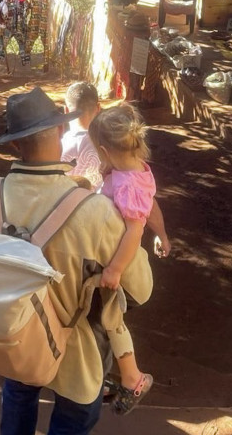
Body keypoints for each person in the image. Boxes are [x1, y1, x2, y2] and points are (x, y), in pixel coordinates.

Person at [0, 87, 153, 435]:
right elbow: (141, 289)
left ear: (14, 145)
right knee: (75, 416)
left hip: (14, 339)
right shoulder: (96, 211)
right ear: (62, 130)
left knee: (18, 395)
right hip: (75, 351)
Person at [88, 103, 172, 415]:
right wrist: (163, 235)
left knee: (105, 320)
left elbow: (135, 230)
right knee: (108, 319)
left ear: (104, 151)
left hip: (120, 264)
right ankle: (120, 377)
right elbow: (151, 206)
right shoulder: (135, 171)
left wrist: (114, 269)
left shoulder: (126, 185)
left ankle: (131, 379)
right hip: (119, 256)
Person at [61, 82, 103, 191]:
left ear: (66, 110)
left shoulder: (59, 145)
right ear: (98, 108)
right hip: (96, 200)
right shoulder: (106, 144)